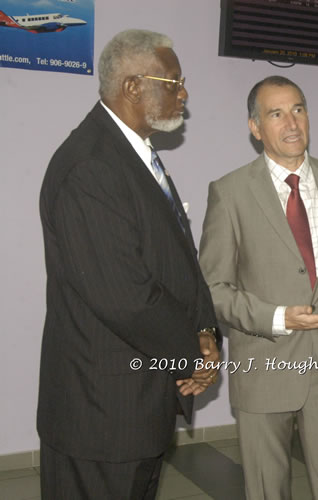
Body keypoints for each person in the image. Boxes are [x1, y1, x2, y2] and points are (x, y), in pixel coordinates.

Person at [37, 29, 222, 499]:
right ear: (133, 86)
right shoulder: (91, 166)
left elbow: (179, 259)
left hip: (137, 405)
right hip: (101, 415)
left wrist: (205, 329)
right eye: (174, 81)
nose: (184, 93)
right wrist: (191, 354)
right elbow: (125, 296)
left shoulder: (134, 155)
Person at [199, 75, 318, 500]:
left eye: (298, 109)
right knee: (266, 491)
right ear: (255, 128)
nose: (291, 122)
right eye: (276, 113)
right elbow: (213, 287)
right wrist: (279, 318)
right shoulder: (230, 193)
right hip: (263, 366)